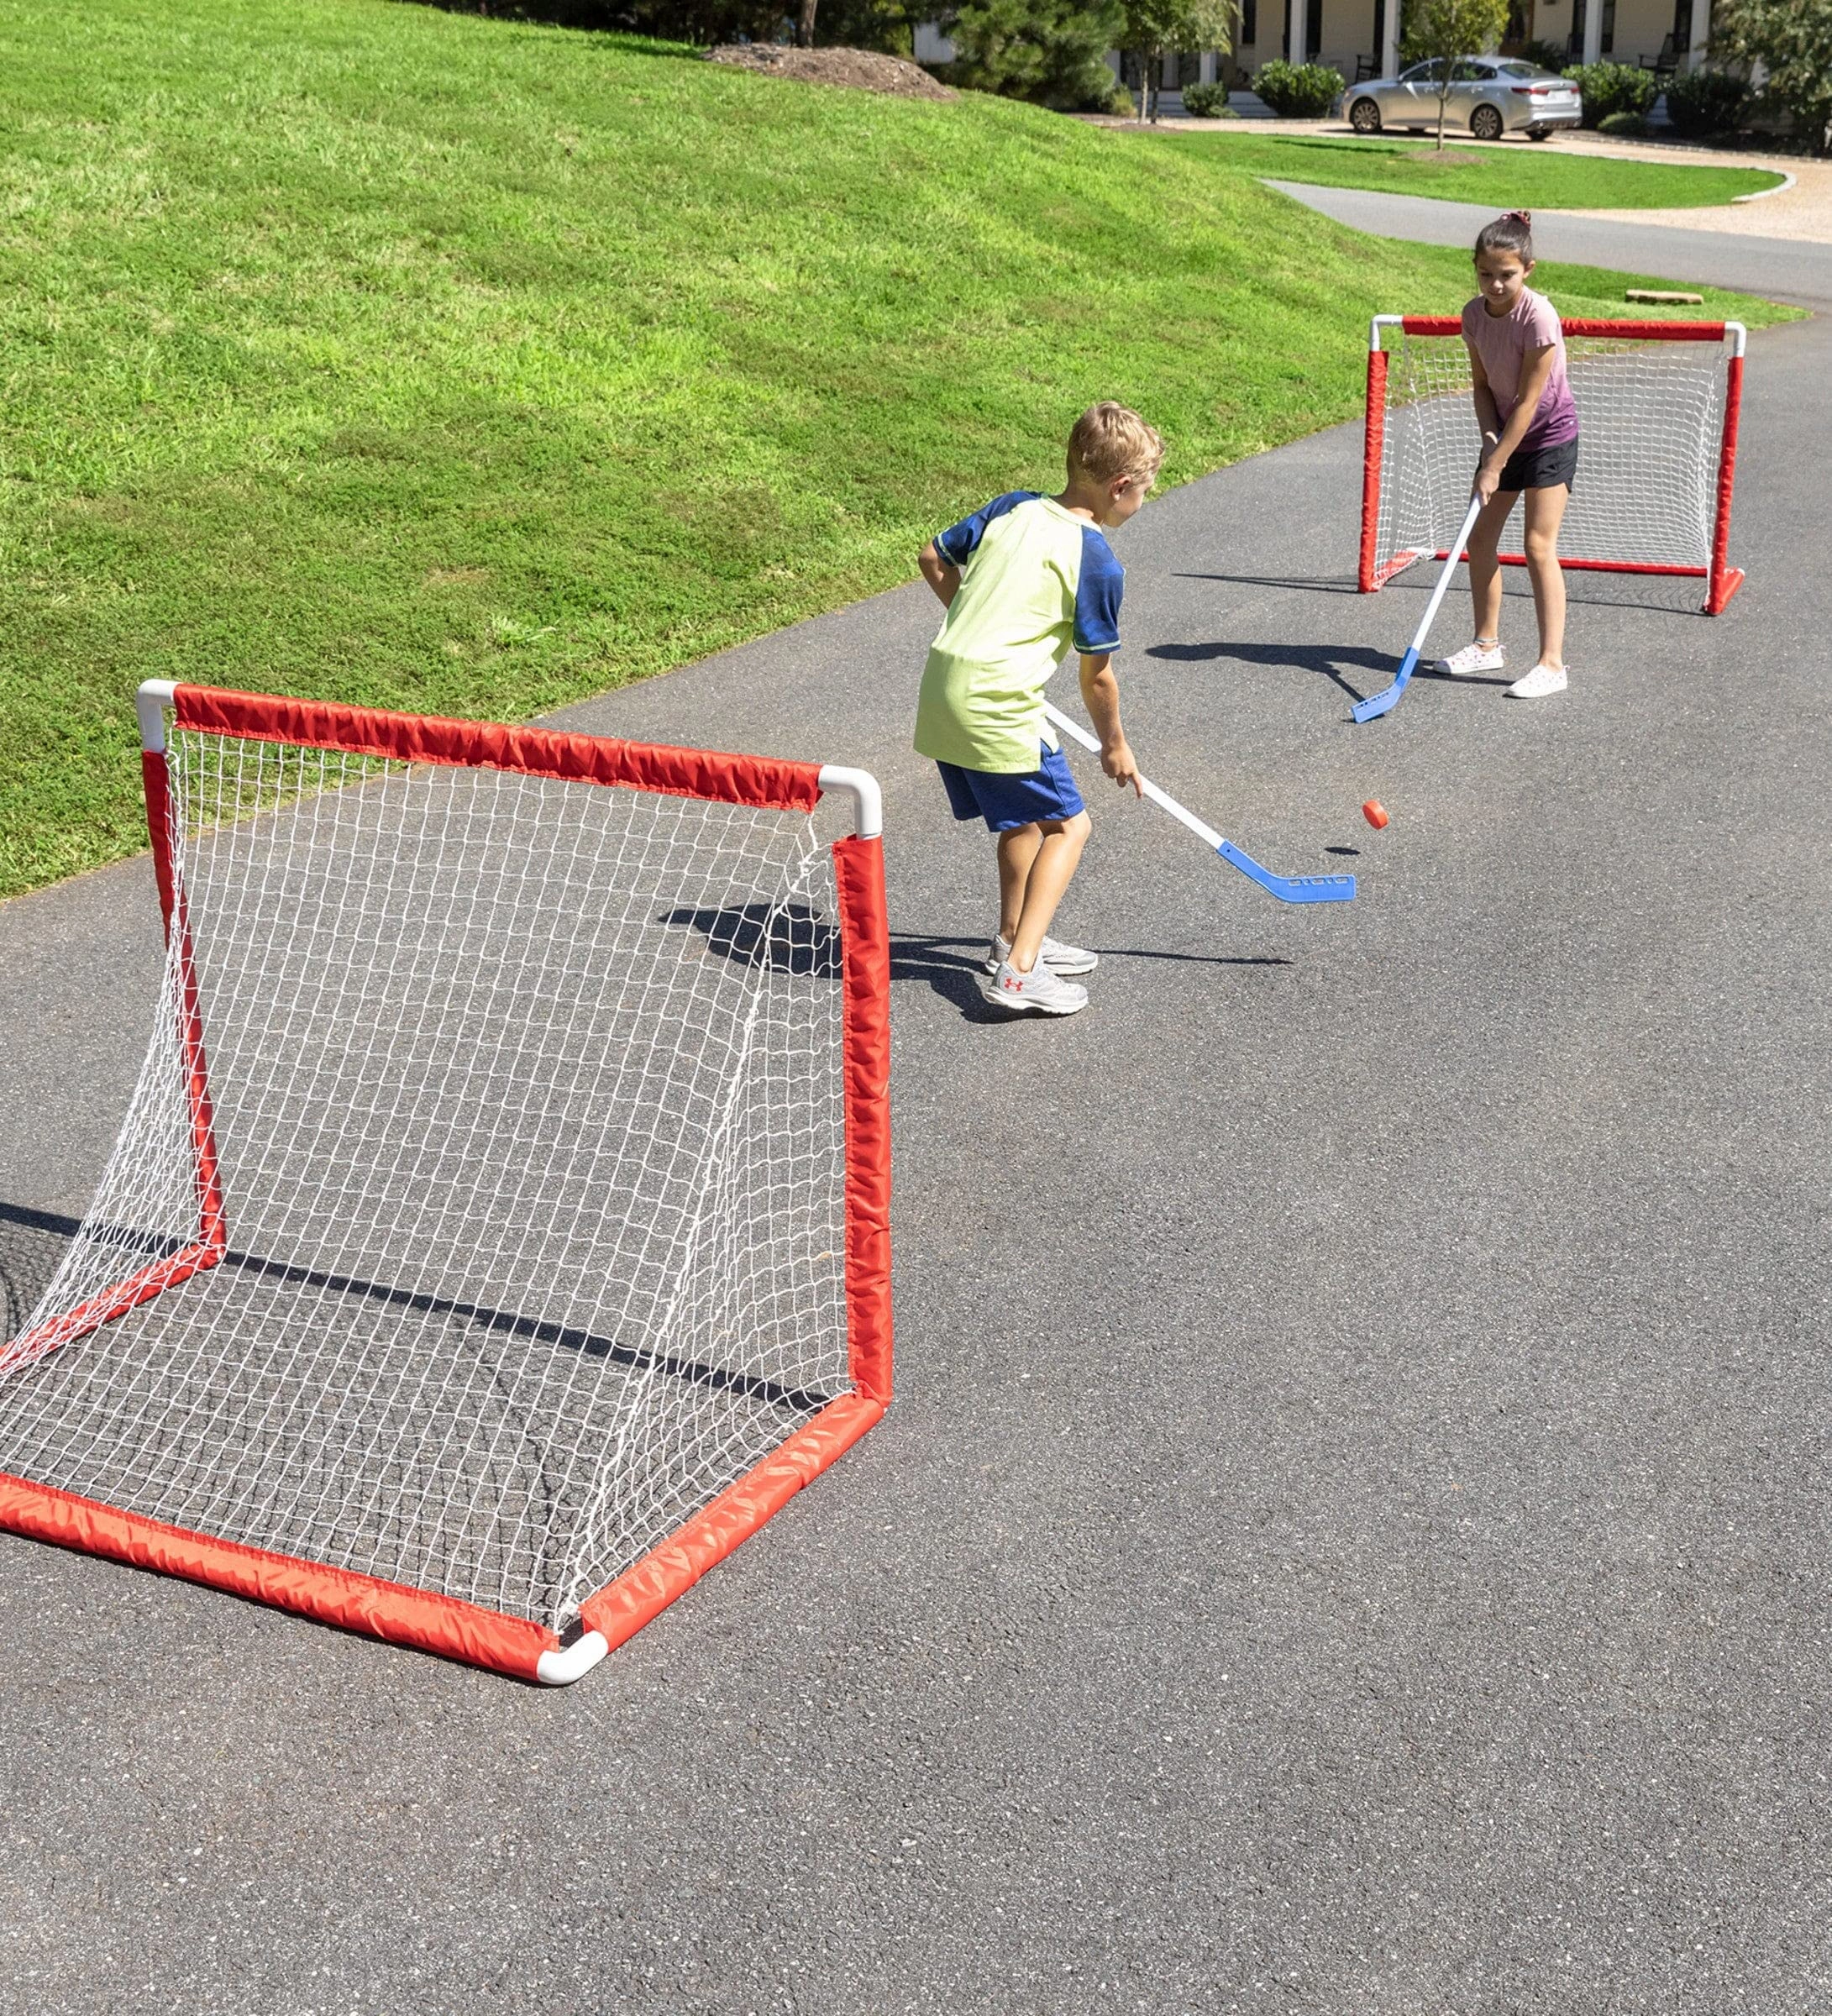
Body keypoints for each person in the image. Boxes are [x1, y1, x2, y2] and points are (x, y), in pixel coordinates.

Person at [914, 402, 1161, 1017]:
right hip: (998, 704)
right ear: (1119, 487)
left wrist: (977, 625)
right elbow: (1096, 677)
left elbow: (931, 557)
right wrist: (1114, 746)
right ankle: (1020, 973)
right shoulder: (1096, 559)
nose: (1141, 503)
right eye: (1144, 492)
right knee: (1068, 827)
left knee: (1021, 823)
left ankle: (1010, 941)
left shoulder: (1013, 506)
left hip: (944, 689)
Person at [1437, 210, 1579, 701]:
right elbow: (1481, 386)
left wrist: (1495, 465)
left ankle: (1551, 664)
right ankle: (1486, 645)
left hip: (1548, 436)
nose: (1495, 285)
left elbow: (1531, 398)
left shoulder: (1539, 316)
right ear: (1474, 267)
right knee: (1480, 539)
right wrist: (1488, 440)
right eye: (1485, 274)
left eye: (1507, 275)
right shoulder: (1472, 315)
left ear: (1528, 269)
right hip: (1505, 434)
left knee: (1538, 546)